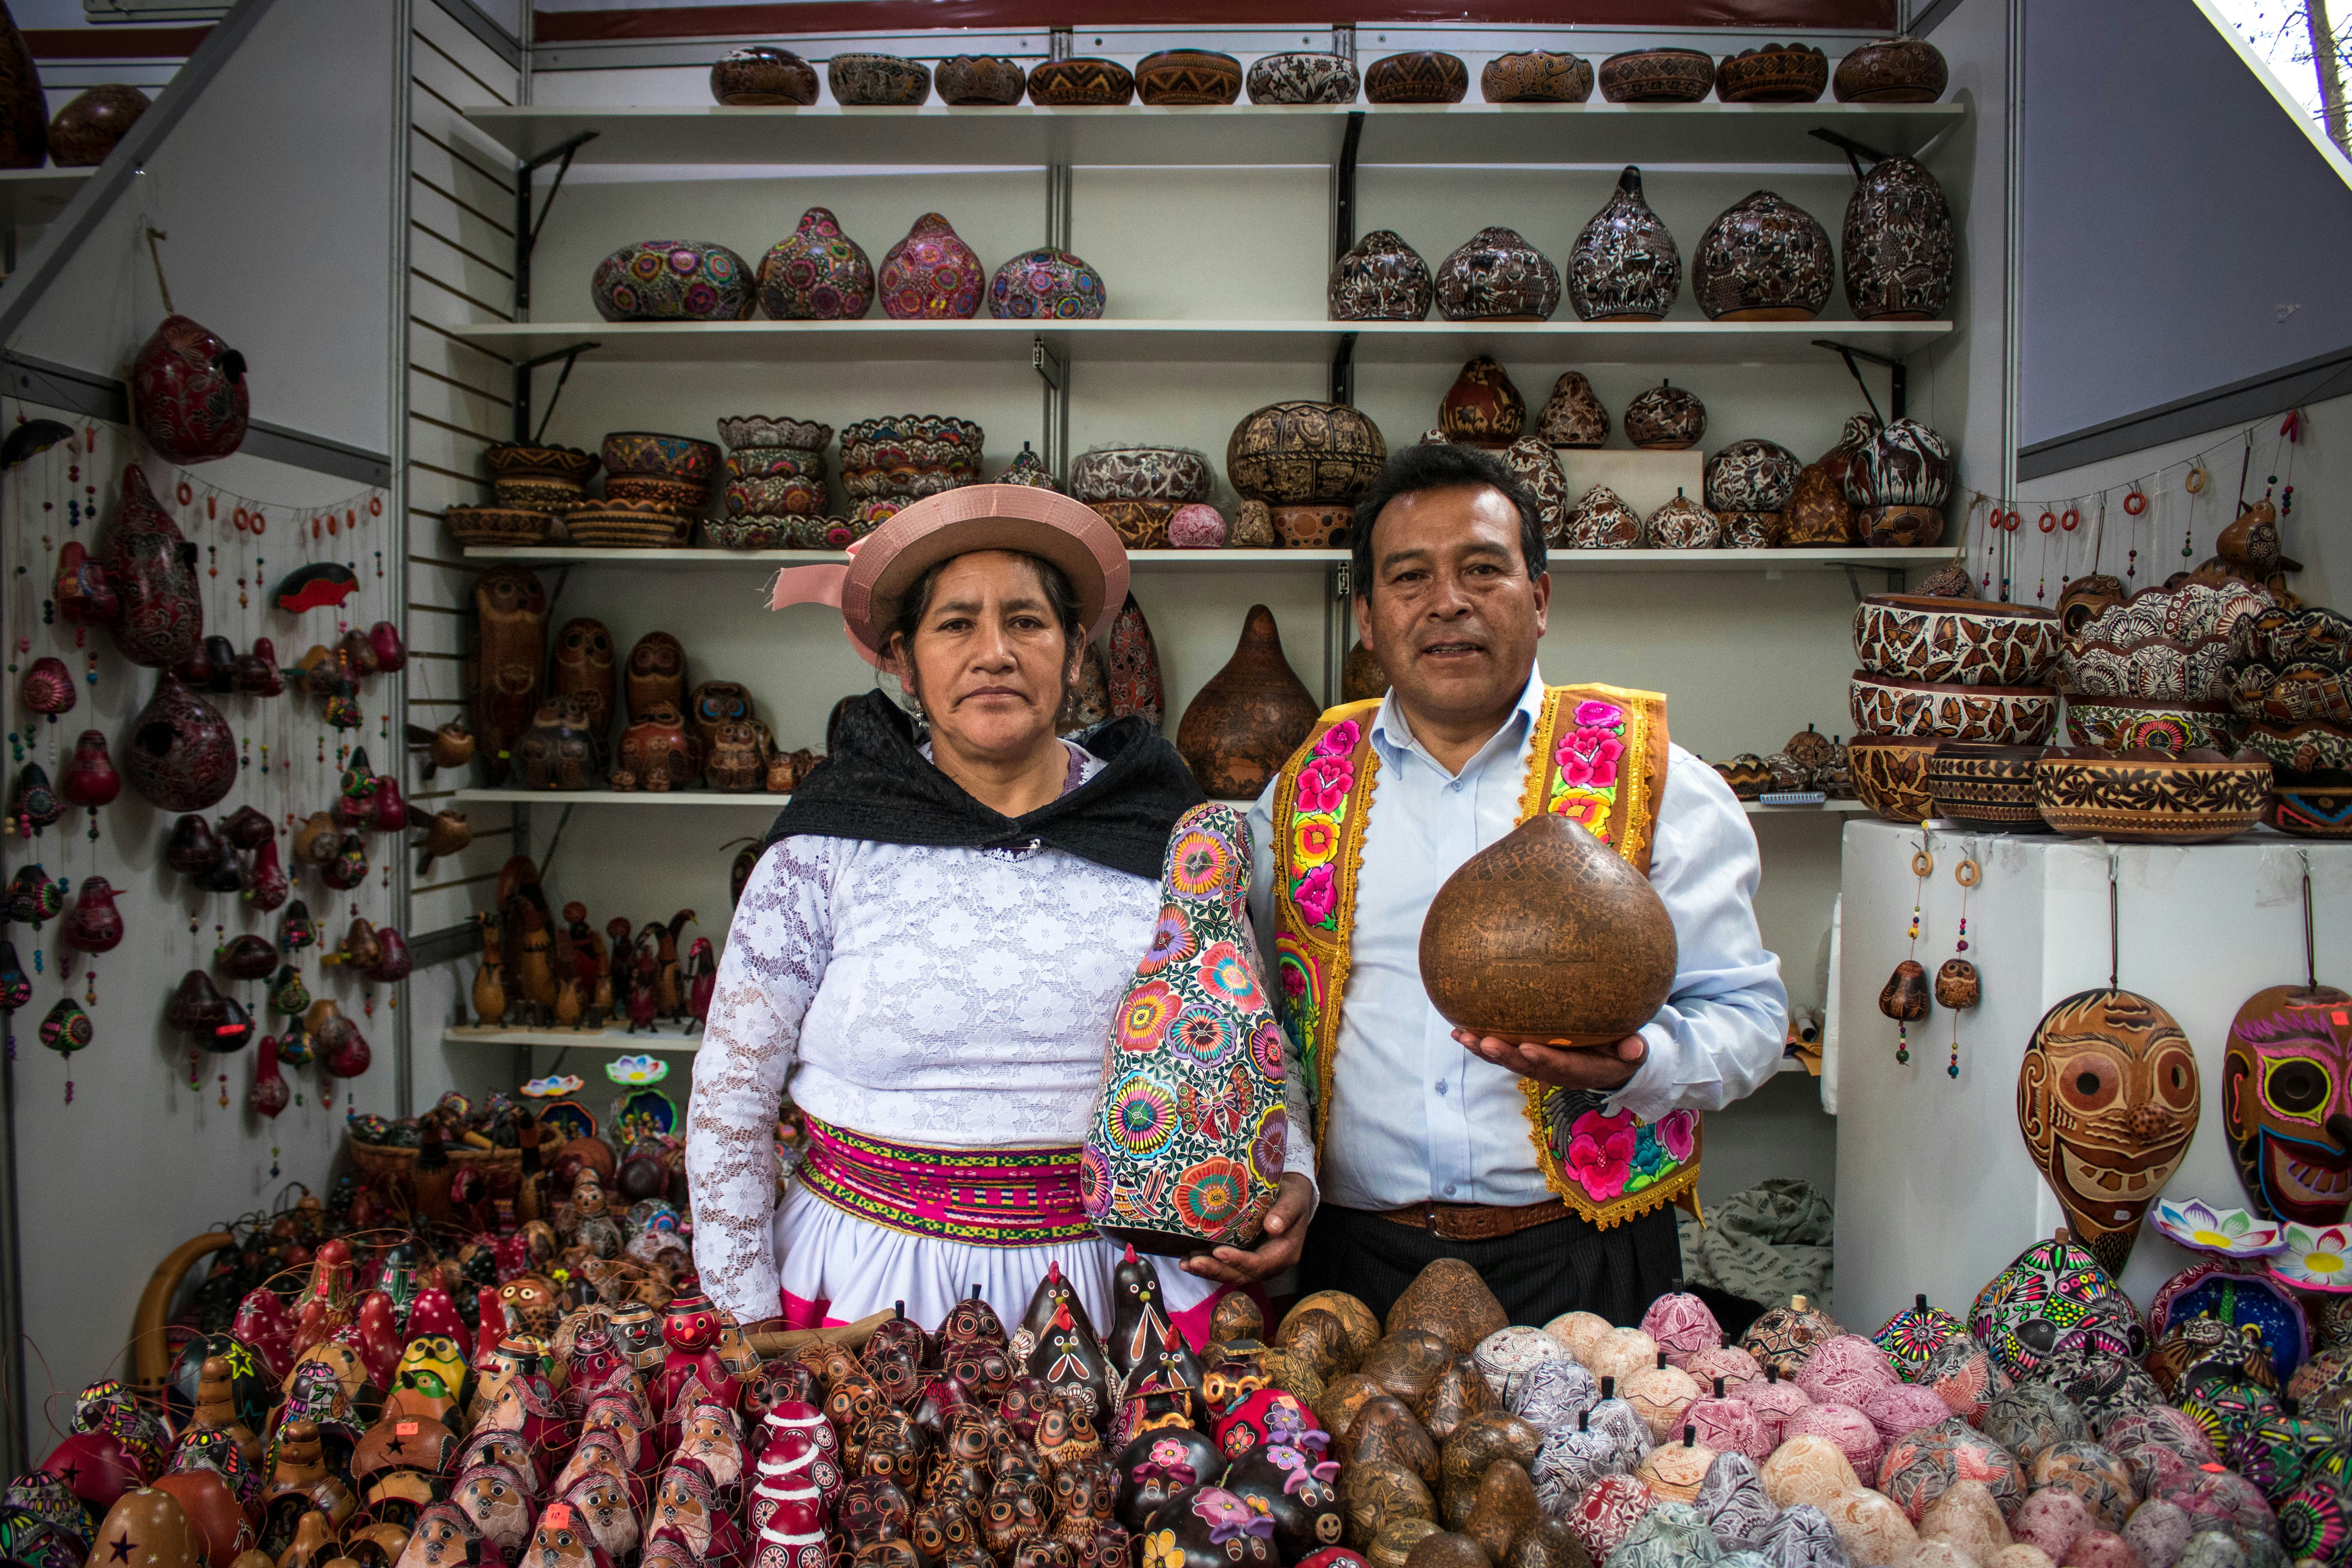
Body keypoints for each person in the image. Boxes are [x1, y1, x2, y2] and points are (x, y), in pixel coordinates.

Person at [685, 484, 1318, 1342]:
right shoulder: (827, 845)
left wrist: (1296, 1180)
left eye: (1026, 622)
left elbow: (1255, 1039)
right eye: (956, 625)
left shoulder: (1159, 828)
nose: (994, 653)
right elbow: (731, 1097)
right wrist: (748, 1321)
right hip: (865, 1295)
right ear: (905, 664)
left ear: (1072, 653)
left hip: (1125, 1292)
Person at [1230, 443, 1788, 1326]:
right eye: (1408, 577)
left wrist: (1638, 1062)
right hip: (1354, 1259)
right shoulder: (1298, 792)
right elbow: (1255, 1029)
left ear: (1540, 597)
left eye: (1483, 568)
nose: (1448, 600)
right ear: (1368, 619)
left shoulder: (1655, 779)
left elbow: (1753, 1022)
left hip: (1584, 1254)